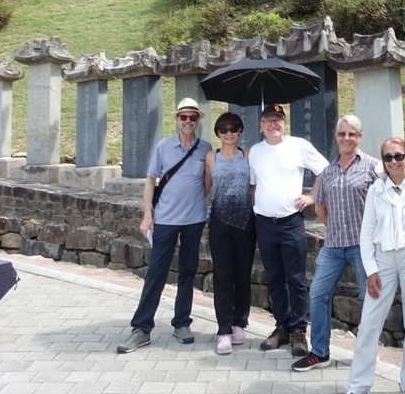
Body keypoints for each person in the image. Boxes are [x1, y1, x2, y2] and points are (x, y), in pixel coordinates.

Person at [345, 138, 405, 394]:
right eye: (388, 157)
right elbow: (366, 232)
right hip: (383, 258)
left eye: (399, 156)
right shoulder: (376, 190)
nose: (394, 162)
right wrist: (371, 270)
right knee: (369, 323)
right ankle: (358, 385)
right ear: (383, 162)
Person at [117, 97, 211, 353]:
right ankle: (142, 328)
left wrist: (194, 202)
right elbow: (150, 181)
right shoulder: (163, 146)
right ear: (176, 119)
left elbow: (206, 182)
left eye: (193, 117)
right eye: (184, 117)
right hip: (166, 220)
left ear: (198, 120)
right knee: (156, 272)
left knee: (188, 272)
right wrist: (148, 214)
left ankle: (182, 322)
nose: (188, 121)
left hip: (194, 219)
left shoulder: (206, 148)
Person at [293, 114, 379, 373]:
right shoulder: (328, 171)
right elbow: (319, 207)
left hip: (364, 248)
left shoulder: (373, 167)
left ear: (360, 137)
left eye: (352, 134)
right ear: (336, 137)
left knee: (369, 299)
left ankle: (367, 354)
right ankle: (319, 352)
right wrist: (337, 228)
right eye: (342, 134)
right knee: (318, 294)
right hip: (333, 245)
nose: (347, 138)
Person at [249, 103, 329, 358]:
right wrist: (259, 205)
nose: (274, 125)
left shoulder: (298, 146)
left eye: (278, 120)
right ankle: (281, 326)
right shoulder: (255, 152)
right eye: (268, 121)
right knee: (274, 278)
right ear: (261, 126)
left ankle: (298, 330)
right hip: (264, 223)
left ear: (285, 123)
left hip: (291, 222)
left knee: (295, 278)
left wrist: (312, 196)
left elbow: (324, 170)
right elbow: (253, 185)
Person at [204, 111, 257, 355]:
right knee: (223, 276)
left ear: (240, 131)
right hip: (220, 222)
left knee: (243, 274)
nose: (228, 133)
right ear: (217, 133)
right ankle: (223, 329)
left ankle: (239, 322)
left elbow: (254, 188)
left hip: (245, 221)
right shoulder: (211, 158)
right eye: (223, 129)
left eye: (233, 129)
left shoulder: (247, 155)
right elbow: (206, 189)